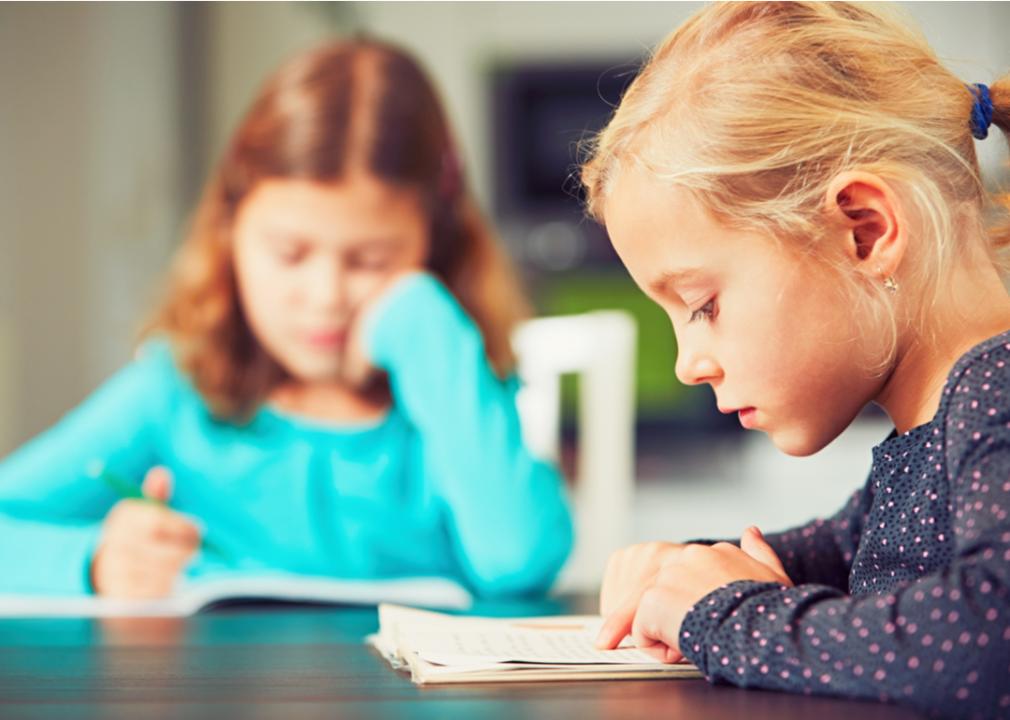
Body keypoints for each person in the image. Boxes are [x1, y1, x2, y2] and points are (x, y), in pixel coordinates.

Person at [0, 38, 572, 600]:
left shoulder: (450, 389)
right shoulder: (176, 392)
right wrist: (94, 561)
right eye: (290, 255)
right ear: (231, 232)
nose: (325, 297)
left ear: (434, 245)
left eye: (371, 260)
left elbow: (516, 561)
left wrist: (424, 326)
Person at [581, 2, 1010, 717]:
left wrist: (725, 614)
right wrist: (688, 568)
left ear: (864, 231)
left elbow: (986, 641)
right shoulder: (941, 422)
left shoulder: (997, 391)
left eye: (703, 305)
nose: (689, 364)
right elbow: (840, 554)